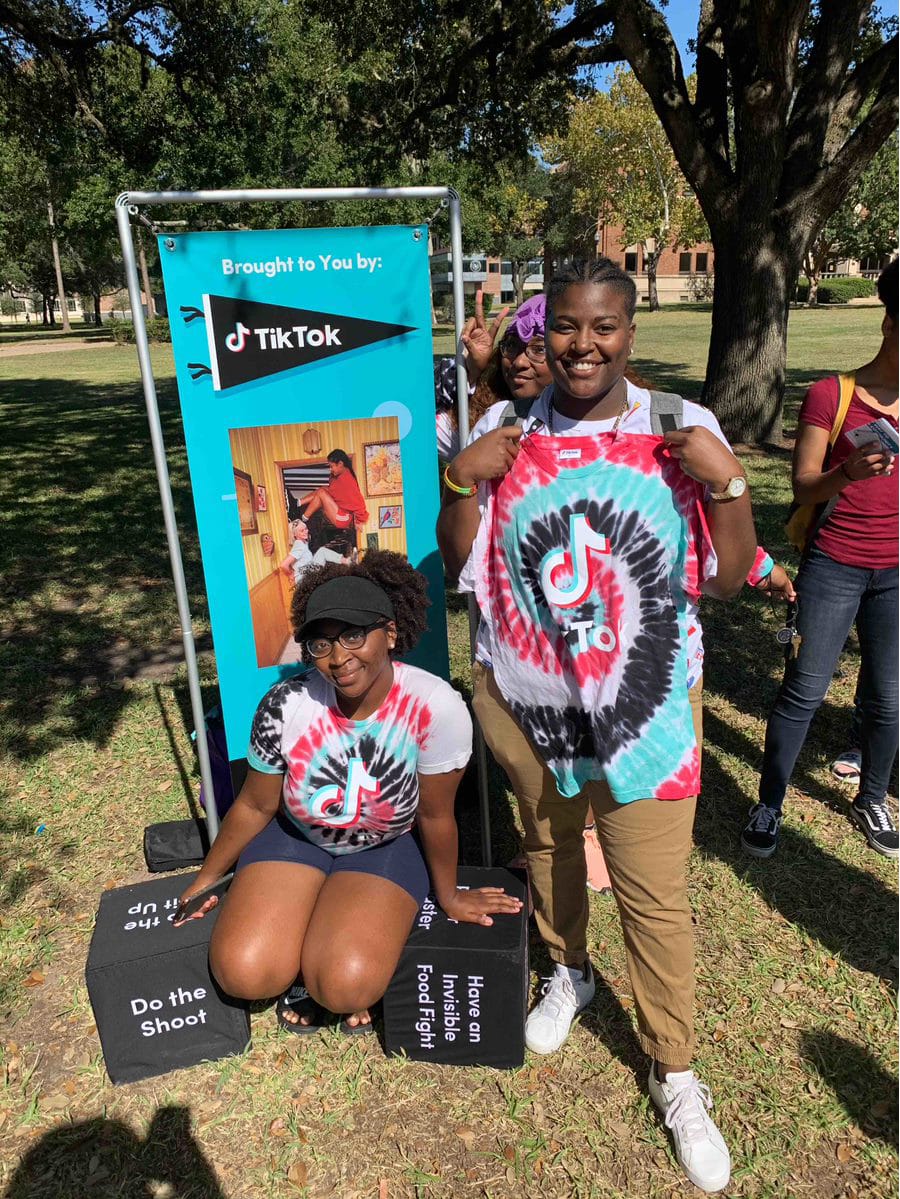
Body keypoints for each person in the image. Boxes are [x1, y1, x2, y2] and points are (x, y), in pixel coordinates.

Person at [437, 258, 757, 1193]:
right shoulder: (503, 428)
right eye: (565, 329)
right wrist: (463, 482)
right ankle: (569, 969)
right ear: (543, 335)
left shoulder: (679, 429)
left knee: (656, 893)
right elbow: (463, 561)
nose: (583, 346)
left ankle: (676, 1069)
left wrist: (730, 486)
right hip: (522, 695)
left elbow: (729, 579)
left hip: (646, 708)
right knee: (547, 843)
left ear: (630, 329)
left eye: (603, 327)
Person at [175, 552, 522, 1033]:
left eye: (354, 636)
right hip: (295, 836)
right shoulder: (285, 703)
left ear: (391, 634)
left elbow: (437, 816)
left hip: (384, 845)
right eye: (321, 644)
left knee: (344, 985)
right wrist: (208, 876)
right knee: (243, 972)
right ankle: (303, 931)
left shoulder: (436, 706)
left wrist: (449, 896)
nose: (339, 658)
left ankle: (339, 945)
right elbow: (256, 804)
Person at [743, 259, 898, 859]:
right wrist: (846, 473)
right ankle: (769, 803)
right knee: (803, 691)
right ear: (889, 323)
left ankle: (874, 798)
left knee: (889, 698)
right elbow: (803, 486)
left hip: (896, 573)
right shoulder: (834, 394)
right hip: (834, 563)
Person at [297, 449, 369, 532]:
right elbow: (333, 492)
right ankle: (298, 503)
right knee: (322, 490)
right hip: (338, 511)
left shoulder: (348, 480)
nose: (330, 469)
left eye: (331, 466)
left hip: (343, 518)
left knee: (321, 492)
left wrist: (359, 522)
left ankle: (302, 520)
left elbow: (359, 503)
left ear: (340, 464)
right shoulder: (338, 476)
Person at [279, 518, 353, 585]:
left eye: (306, 528)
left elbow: (300, 562)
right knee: (322, 551)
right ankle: (347, 561)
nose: (306, 531)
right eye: (302, 531)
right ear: (295, 534)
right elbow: (283, 565)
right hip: (304, 577)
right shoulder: (299, 545)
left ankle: (347, 562)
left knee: (322, 554)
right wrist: (290, 575)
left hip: (308, 572)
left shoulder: (303, 542)